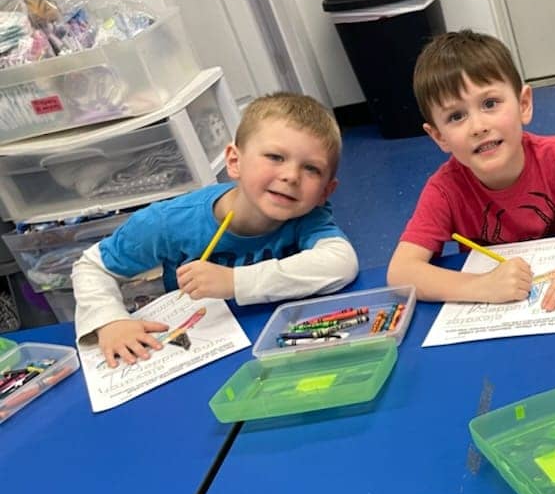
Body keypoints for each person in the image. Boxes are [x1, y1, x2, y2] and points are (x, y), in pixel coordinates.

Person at [72, 92, 357, 367]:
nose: (291, 176)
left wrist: (234, 282)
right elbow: (93, 266)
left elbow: (341, 263)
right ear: (235, 161)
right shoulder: (169, 221)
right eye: (275, 157)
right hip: (197, 348)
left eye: (312, 169)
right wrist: (110, 321)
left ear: (325, 191)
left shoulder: (308, 216)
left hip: (279, 342)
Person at [387, 30, 555, 309]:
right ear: (439, 137)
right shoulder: (445, 190)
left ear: (523, 104)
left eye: (490, 104)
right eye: (456, 116)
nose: (478, 126)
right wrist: (481, 286)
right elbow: (401, 272)